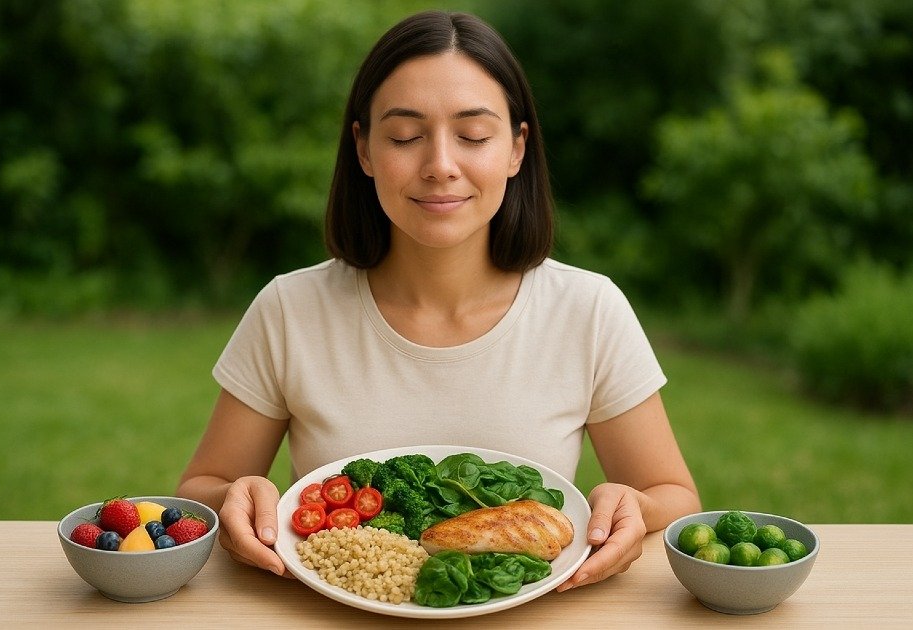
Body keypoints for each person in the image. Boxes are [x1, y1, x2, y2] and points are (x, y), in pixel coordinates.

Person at [177, 10, 700, 592]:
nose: (441, 166)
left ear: (516, 149)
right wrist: (234, 497)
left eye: (474, 136)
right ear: (364, 149)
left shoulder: (588, 310)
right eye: (405, 137)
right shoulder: (290, 309)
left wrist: (630, 506)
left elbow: (672, 495)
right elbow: (203, 487)